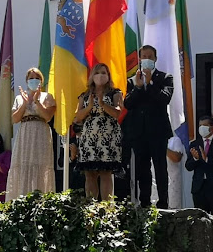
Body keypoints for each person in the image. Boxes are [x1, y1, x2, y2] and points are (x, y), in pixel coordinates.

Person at [123, 45, 174, 208]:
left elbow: (164, 99)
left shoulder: (165, 78)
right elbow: (128, 103)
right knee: (142, 168)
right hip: (138, 132)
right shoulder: (132, 81)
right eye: (143, 56)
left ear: (155, 59)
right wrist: (138, 87)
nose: (146, 59)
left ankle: (163, 201)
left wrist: (150, 82)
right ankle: (144, 201)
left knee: (160, 166)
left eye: (150, 56)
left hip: (158, 131)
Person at [73, 63, 123, 201]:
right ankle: (91, 206)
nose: (100, 76)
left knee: (106, 172)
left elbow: (117, 113)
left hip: (108, 137)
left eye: (103, 73)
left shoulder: (115, 93)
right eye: (97, 73)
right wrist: (89, 106)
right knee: (90, 173)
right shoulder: (85, 95)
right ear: (92, 76)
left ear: (108, 76)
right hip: (89, 137)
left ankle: (107, 207)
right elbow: (78, 116)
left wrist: (103, 104)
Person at [6, 68, 56, 201]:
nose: (34, 80)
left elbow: (48, 116)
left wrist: (37, 101)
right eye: (31, 78)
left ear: (41, 80)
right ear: (27, 81)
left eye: (37, 77)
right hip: (25, 133)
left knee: (40, 166)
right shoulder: (19, 97)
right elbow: (14, 119)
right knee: (23, 166)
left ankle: (40, 200)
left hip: (41, 132)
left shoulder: (48, 96)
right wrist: (25, 103)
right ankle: (21, 200)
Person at [185, 116, 213, 226]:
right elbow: (188, 166)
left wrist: (207, 159)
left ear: (212, 127)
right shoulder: (195, 144)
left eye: (204, 126)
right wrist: (196, 158)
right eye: (200, 126)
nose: (201, 128)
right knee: (200, 221)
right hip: (199, 188)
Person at [150, 134, 185, 209]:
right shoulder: (150, 141)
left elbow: (176, 158)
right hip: (154, 185)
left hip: (172, 185)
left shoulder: (175, 140)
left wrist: (161, 145)